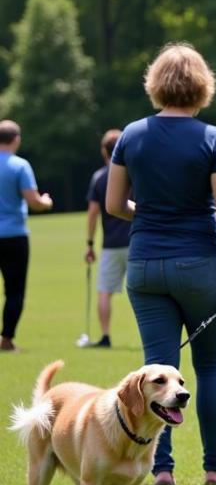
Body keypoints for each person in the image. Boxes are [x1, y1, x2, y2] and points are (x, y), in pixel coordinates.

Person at [106, 43, 216, 485]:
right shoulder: (213, 138)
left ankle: (161, 467)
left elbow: (114, 204)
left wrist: (147, 215)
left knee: (158, 367)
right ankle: (213, 466)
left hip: (145, 263)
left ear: (155, 83)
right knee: (209, 369)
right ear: (203, 85)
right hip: (200, 263)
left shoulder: (131, 134)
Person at [0, 119, 53, 352]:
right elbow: (34, 201)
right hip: (13, 236)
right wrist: (46, 202)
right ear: (16, 139)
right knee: (14, 291)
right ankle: (7, 339)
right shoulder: (20, 165)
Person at [85, 129, 128, 347]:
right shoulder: (133, 173)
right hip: (137, 241)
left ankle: (105, 336)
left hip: (111, 244)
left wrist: (90, 244)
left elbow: (93, 213)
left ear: (104, 151)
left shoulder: (99, 177)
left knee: (104, 291)